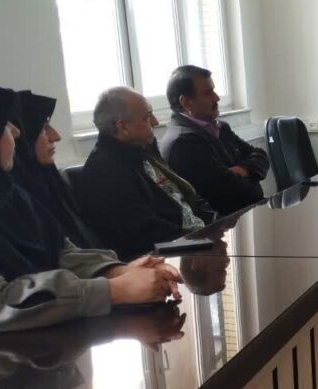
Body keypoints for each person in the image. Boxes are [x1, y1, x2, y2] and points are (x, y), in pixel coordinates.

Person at [0, 78, 184, 333]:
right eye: (3, 123)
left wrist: (117, 271)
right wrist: (113, 290)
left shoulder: (5, 195)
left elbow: (60, 252)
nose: (16, 131)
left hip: (37, 346)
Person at [77, 86, 216, 260]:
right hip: (170, 255)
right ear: (122, 126)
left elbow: (183, 196)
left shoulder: (142, 150)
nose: (156, 122)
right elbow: (147, 232)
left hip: (197, 239)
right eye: (148, 117)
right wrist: (203, 239)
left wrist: (216, 223)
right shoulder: (105, 172)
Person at [160, 65, 269, 215]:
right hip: (226, 222)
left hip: (250, 211)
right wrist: (252, 174)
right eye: (208, 93)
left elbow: (260, 155)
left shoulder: (220, 128)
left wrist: (242, 170)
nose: (217, 98)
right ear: (186, 102)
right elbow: (229, 191)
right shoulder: (182, 143)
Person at [11, 90, 101, 248]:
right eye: (42, 128)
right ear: (23, 137)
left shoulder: (50, 180)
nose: (56, 136)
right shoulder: (16, 201)